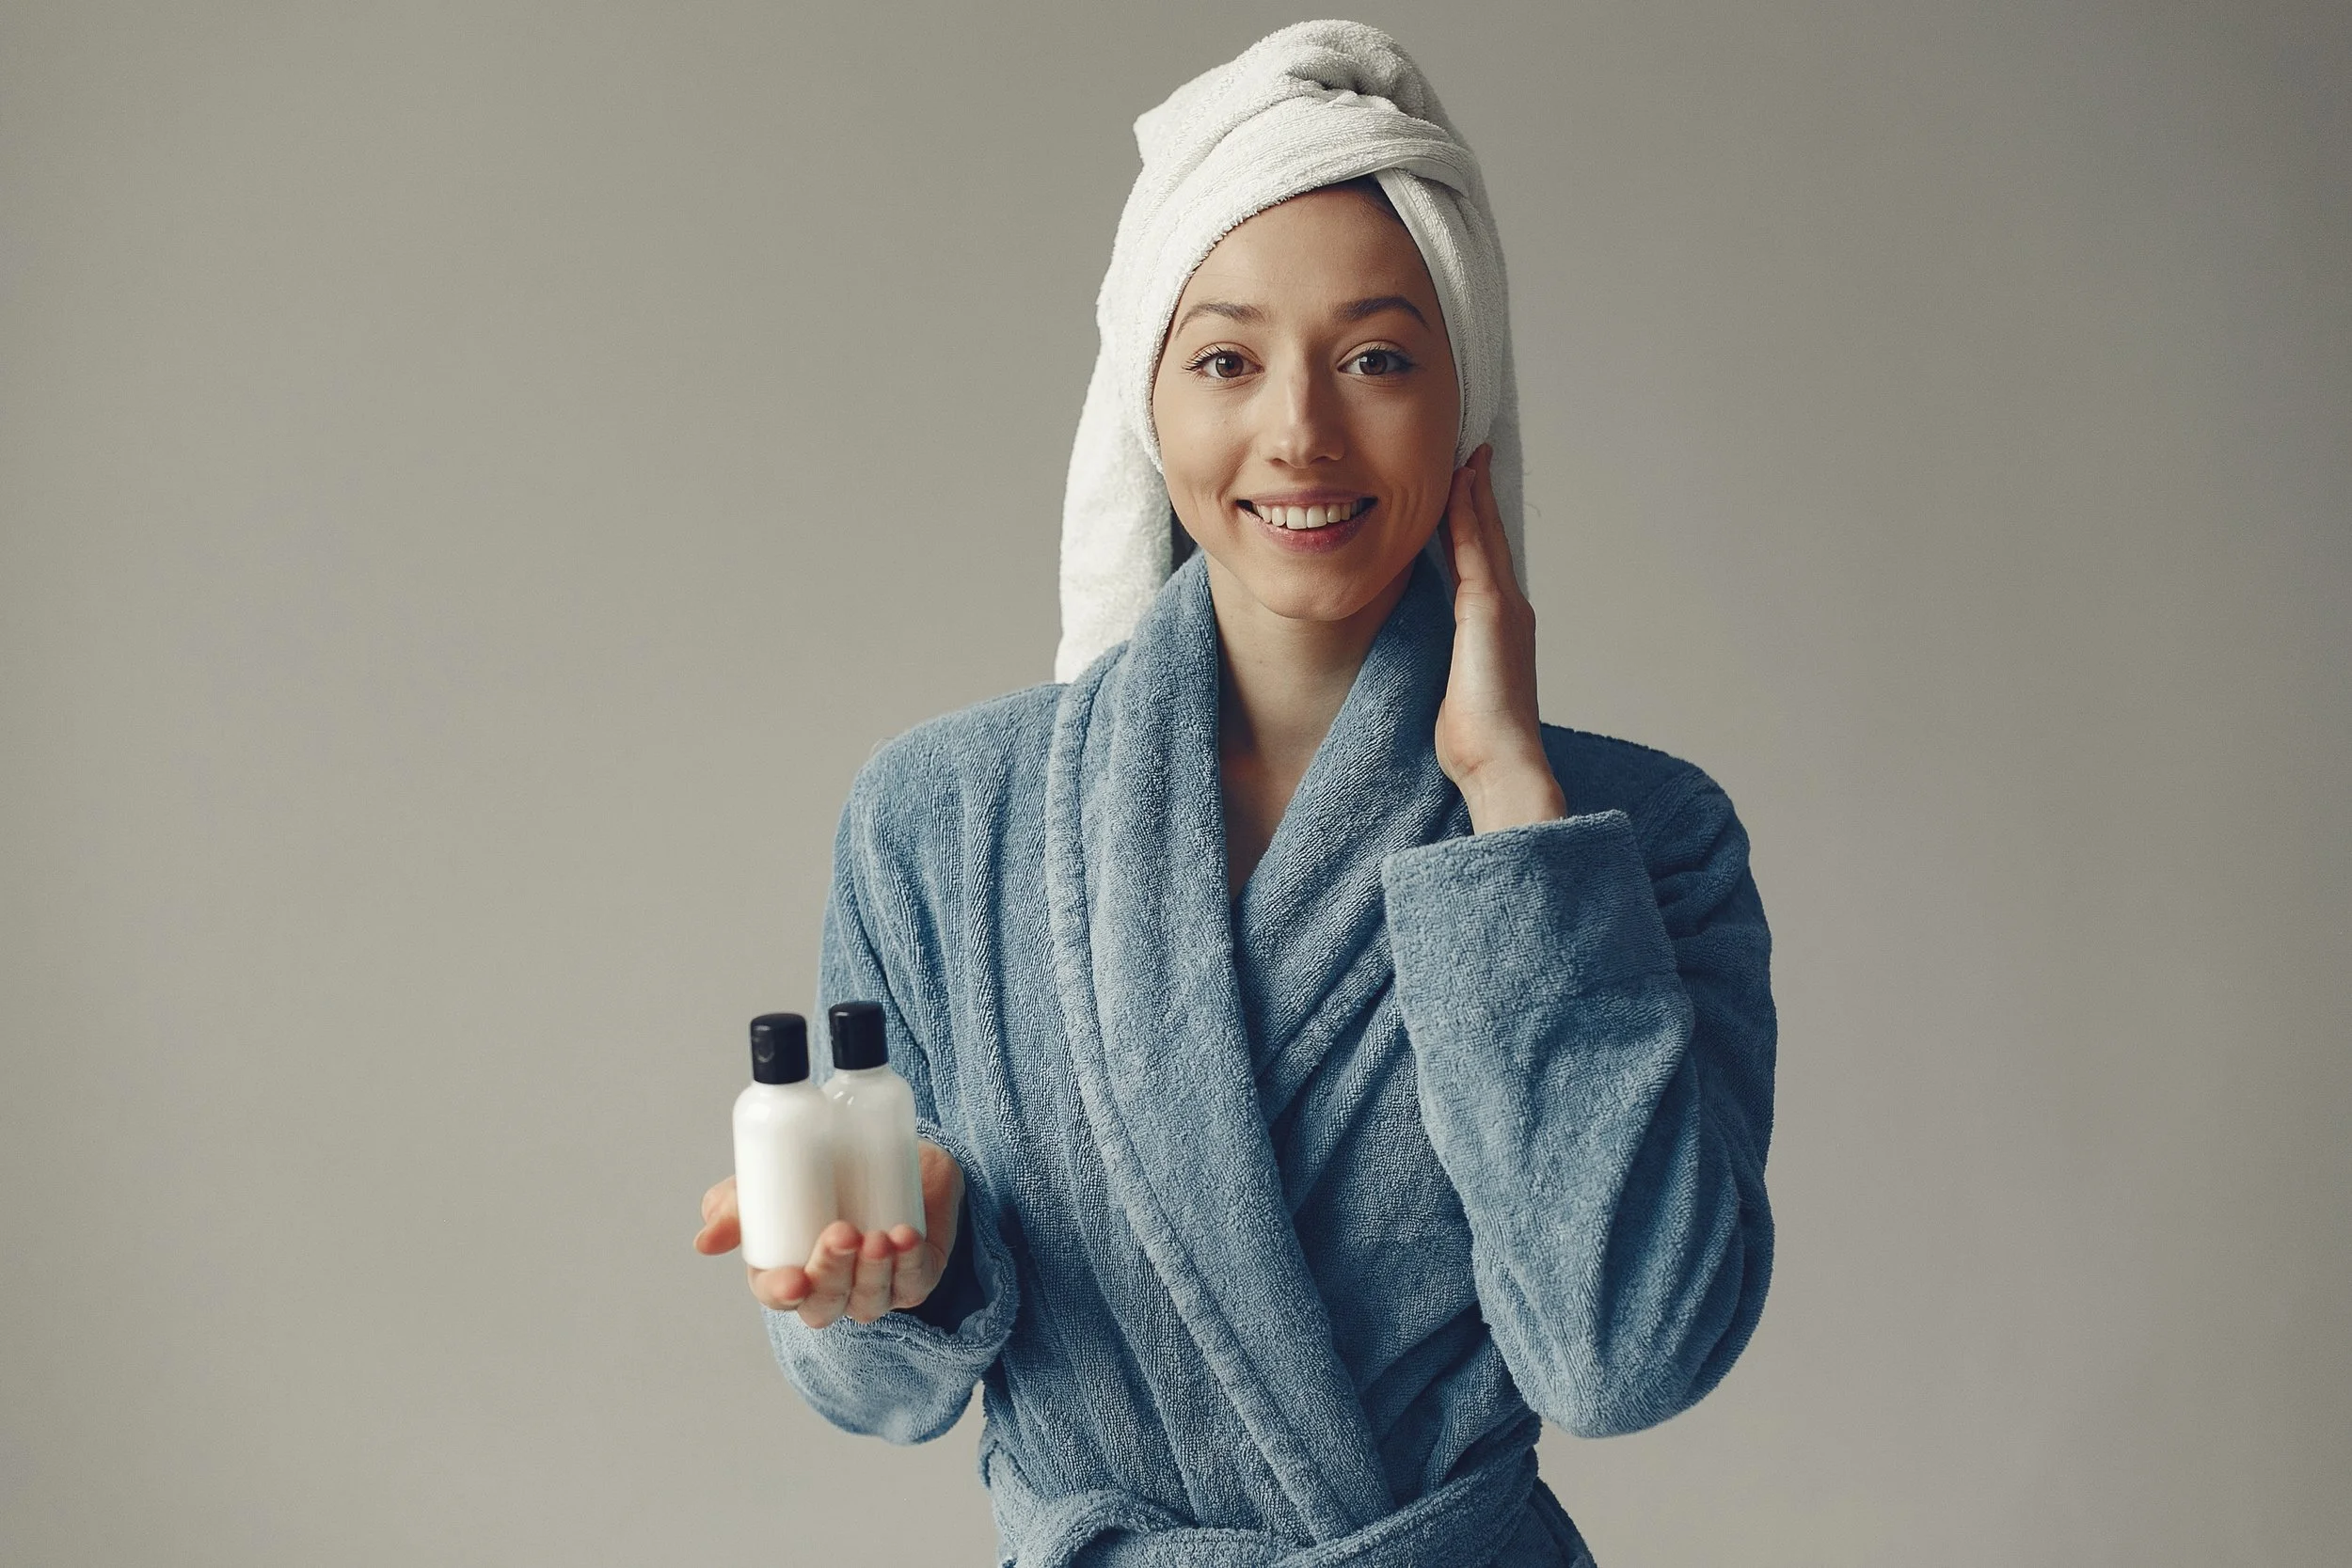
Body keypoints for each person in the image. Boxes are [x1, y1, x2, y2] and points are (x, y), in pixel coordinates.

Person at [693, 21, 1775, 1567]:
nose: (1301, 431)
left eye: (1377, 357)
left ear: (1465, 399)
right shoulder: (943, 822)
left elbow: (1629, 1353)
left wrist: (1511, 810)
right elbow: (863, 1382)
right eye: (1226, 358)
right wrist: (916, 1271)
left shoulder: (1640, 844)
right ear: (1150, 401)